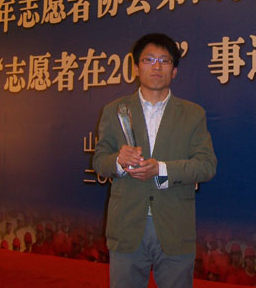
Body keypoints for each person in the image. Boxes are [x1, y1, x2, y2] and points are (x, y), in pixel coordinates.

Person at [93, 33, 217, 288]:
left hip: (174, 226)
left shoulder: (193, 114)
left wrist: (161, 169)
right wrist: (118, 161)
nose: (157, 66)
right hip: (127, 225)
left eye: (165, 60)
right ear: (136, 68)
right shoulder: (114, 110)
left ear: (175, 71)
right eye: (149, 59)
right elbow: (99, 161)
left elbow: (206, 165)